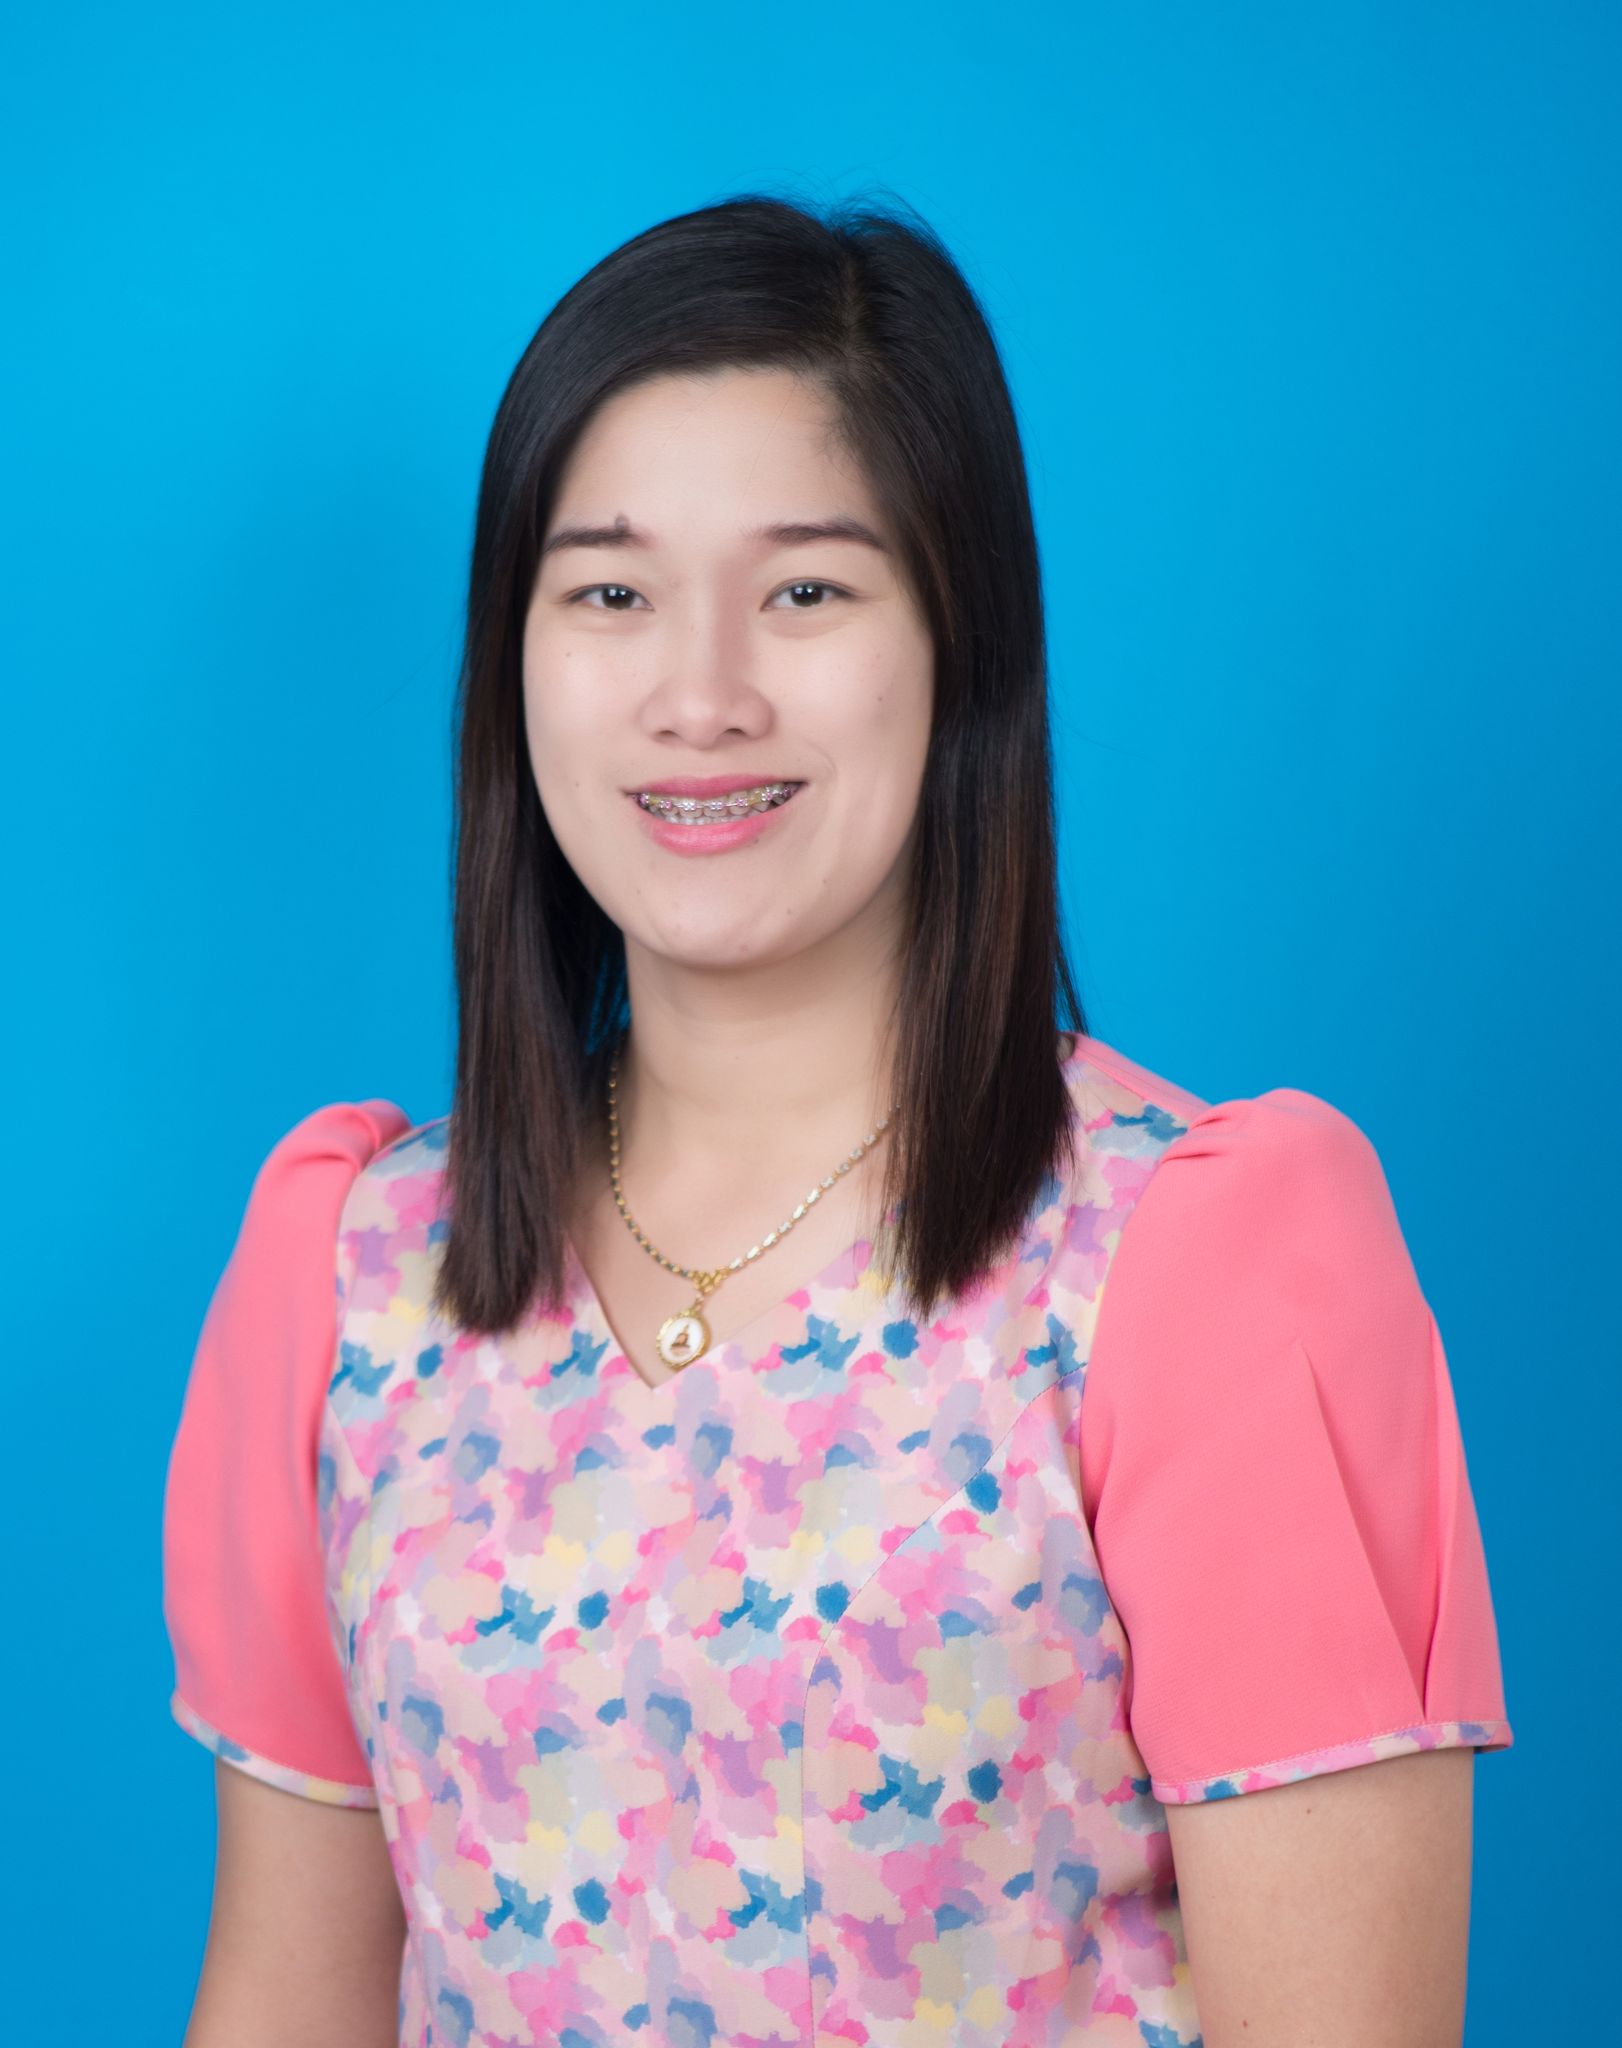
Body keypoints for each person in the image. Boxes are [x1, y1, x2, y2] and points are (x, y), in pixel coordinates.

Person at [161, 192, 1512, 2048]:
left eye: (805, 590)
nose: (700, 696)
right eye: (609, 593)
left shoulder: (1198, 1263)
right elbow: (281, 2001)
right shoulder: (354, 1270)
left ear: (960, 643)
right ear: (511, 658)